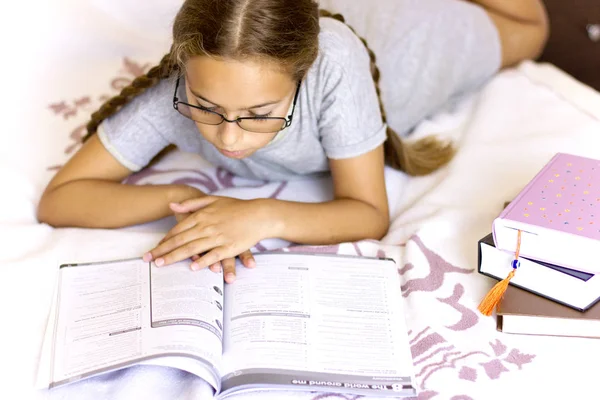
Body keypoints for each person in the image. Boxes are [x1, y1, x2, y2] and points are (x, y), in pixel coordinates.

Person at [37, 0, 549, 283]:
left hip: (409, 49)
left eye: (260, 115)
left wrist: (263, 214)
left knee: (530, 28)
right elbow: (62, 198)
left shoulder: (333, 66)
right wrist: (200, 206)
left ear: (301, 80)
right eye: (208, 108)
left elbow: (369, 212)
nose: (230, 137)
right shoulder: (178, 91)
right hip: (332, 21)